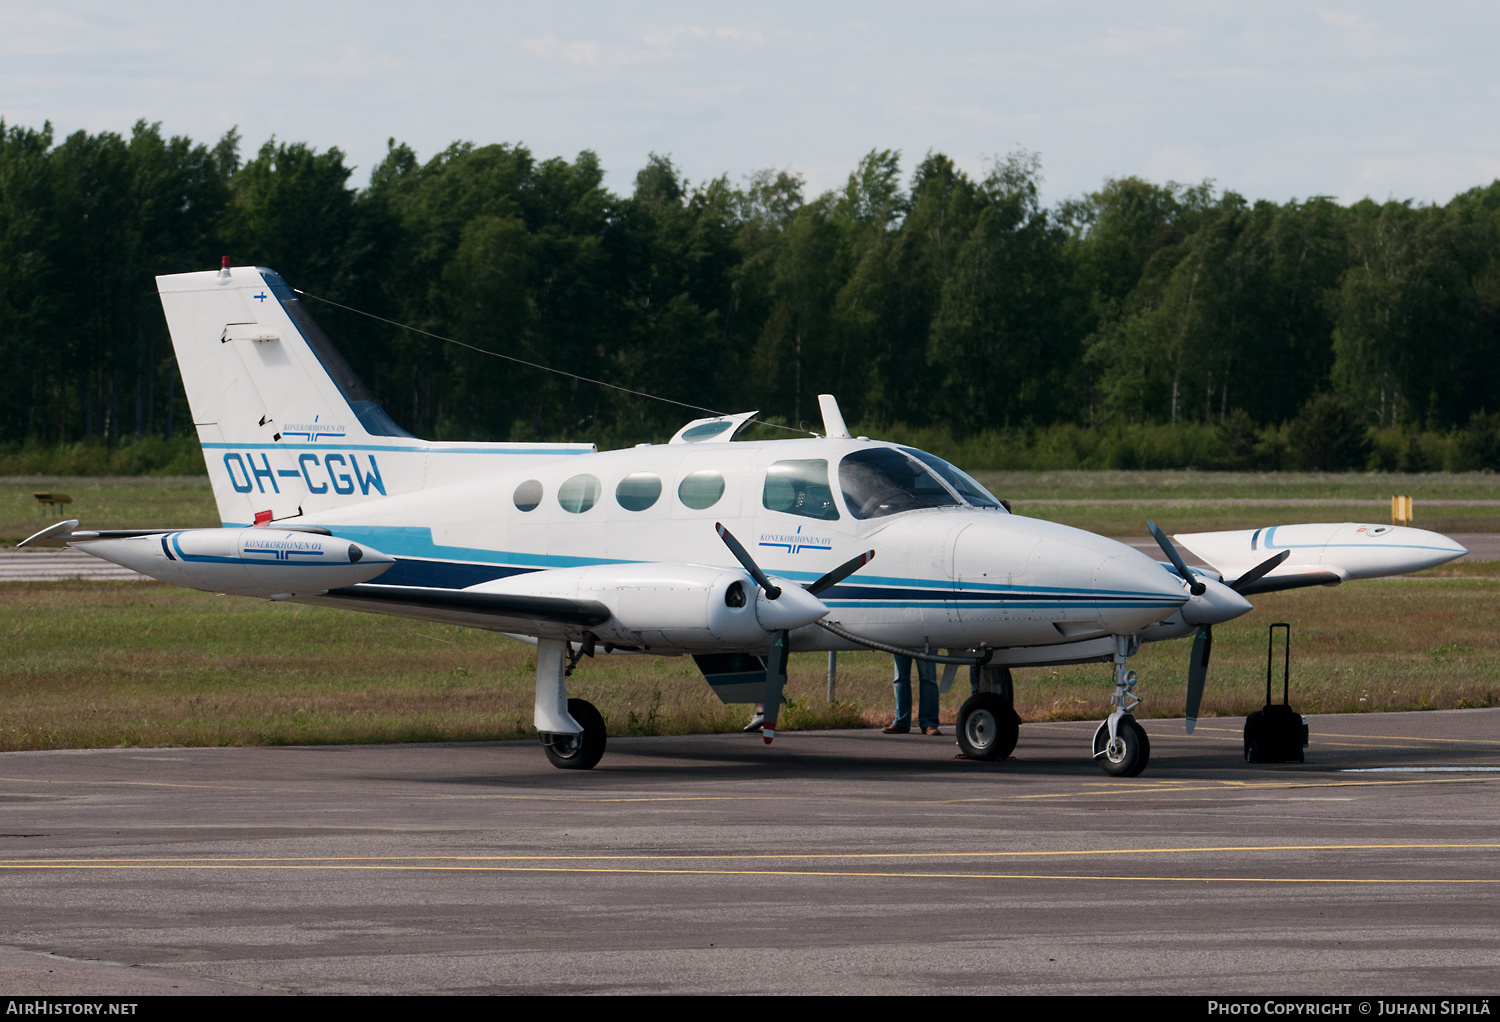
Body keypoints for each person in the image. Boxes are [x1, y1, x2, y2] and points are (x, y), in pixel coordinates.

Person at [884, 655, 940, 735]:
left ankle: (929, 722)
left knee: (928, 679)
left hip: (926, 643)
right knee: (900, 679)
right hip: (900, 642)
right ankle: (901, 722)